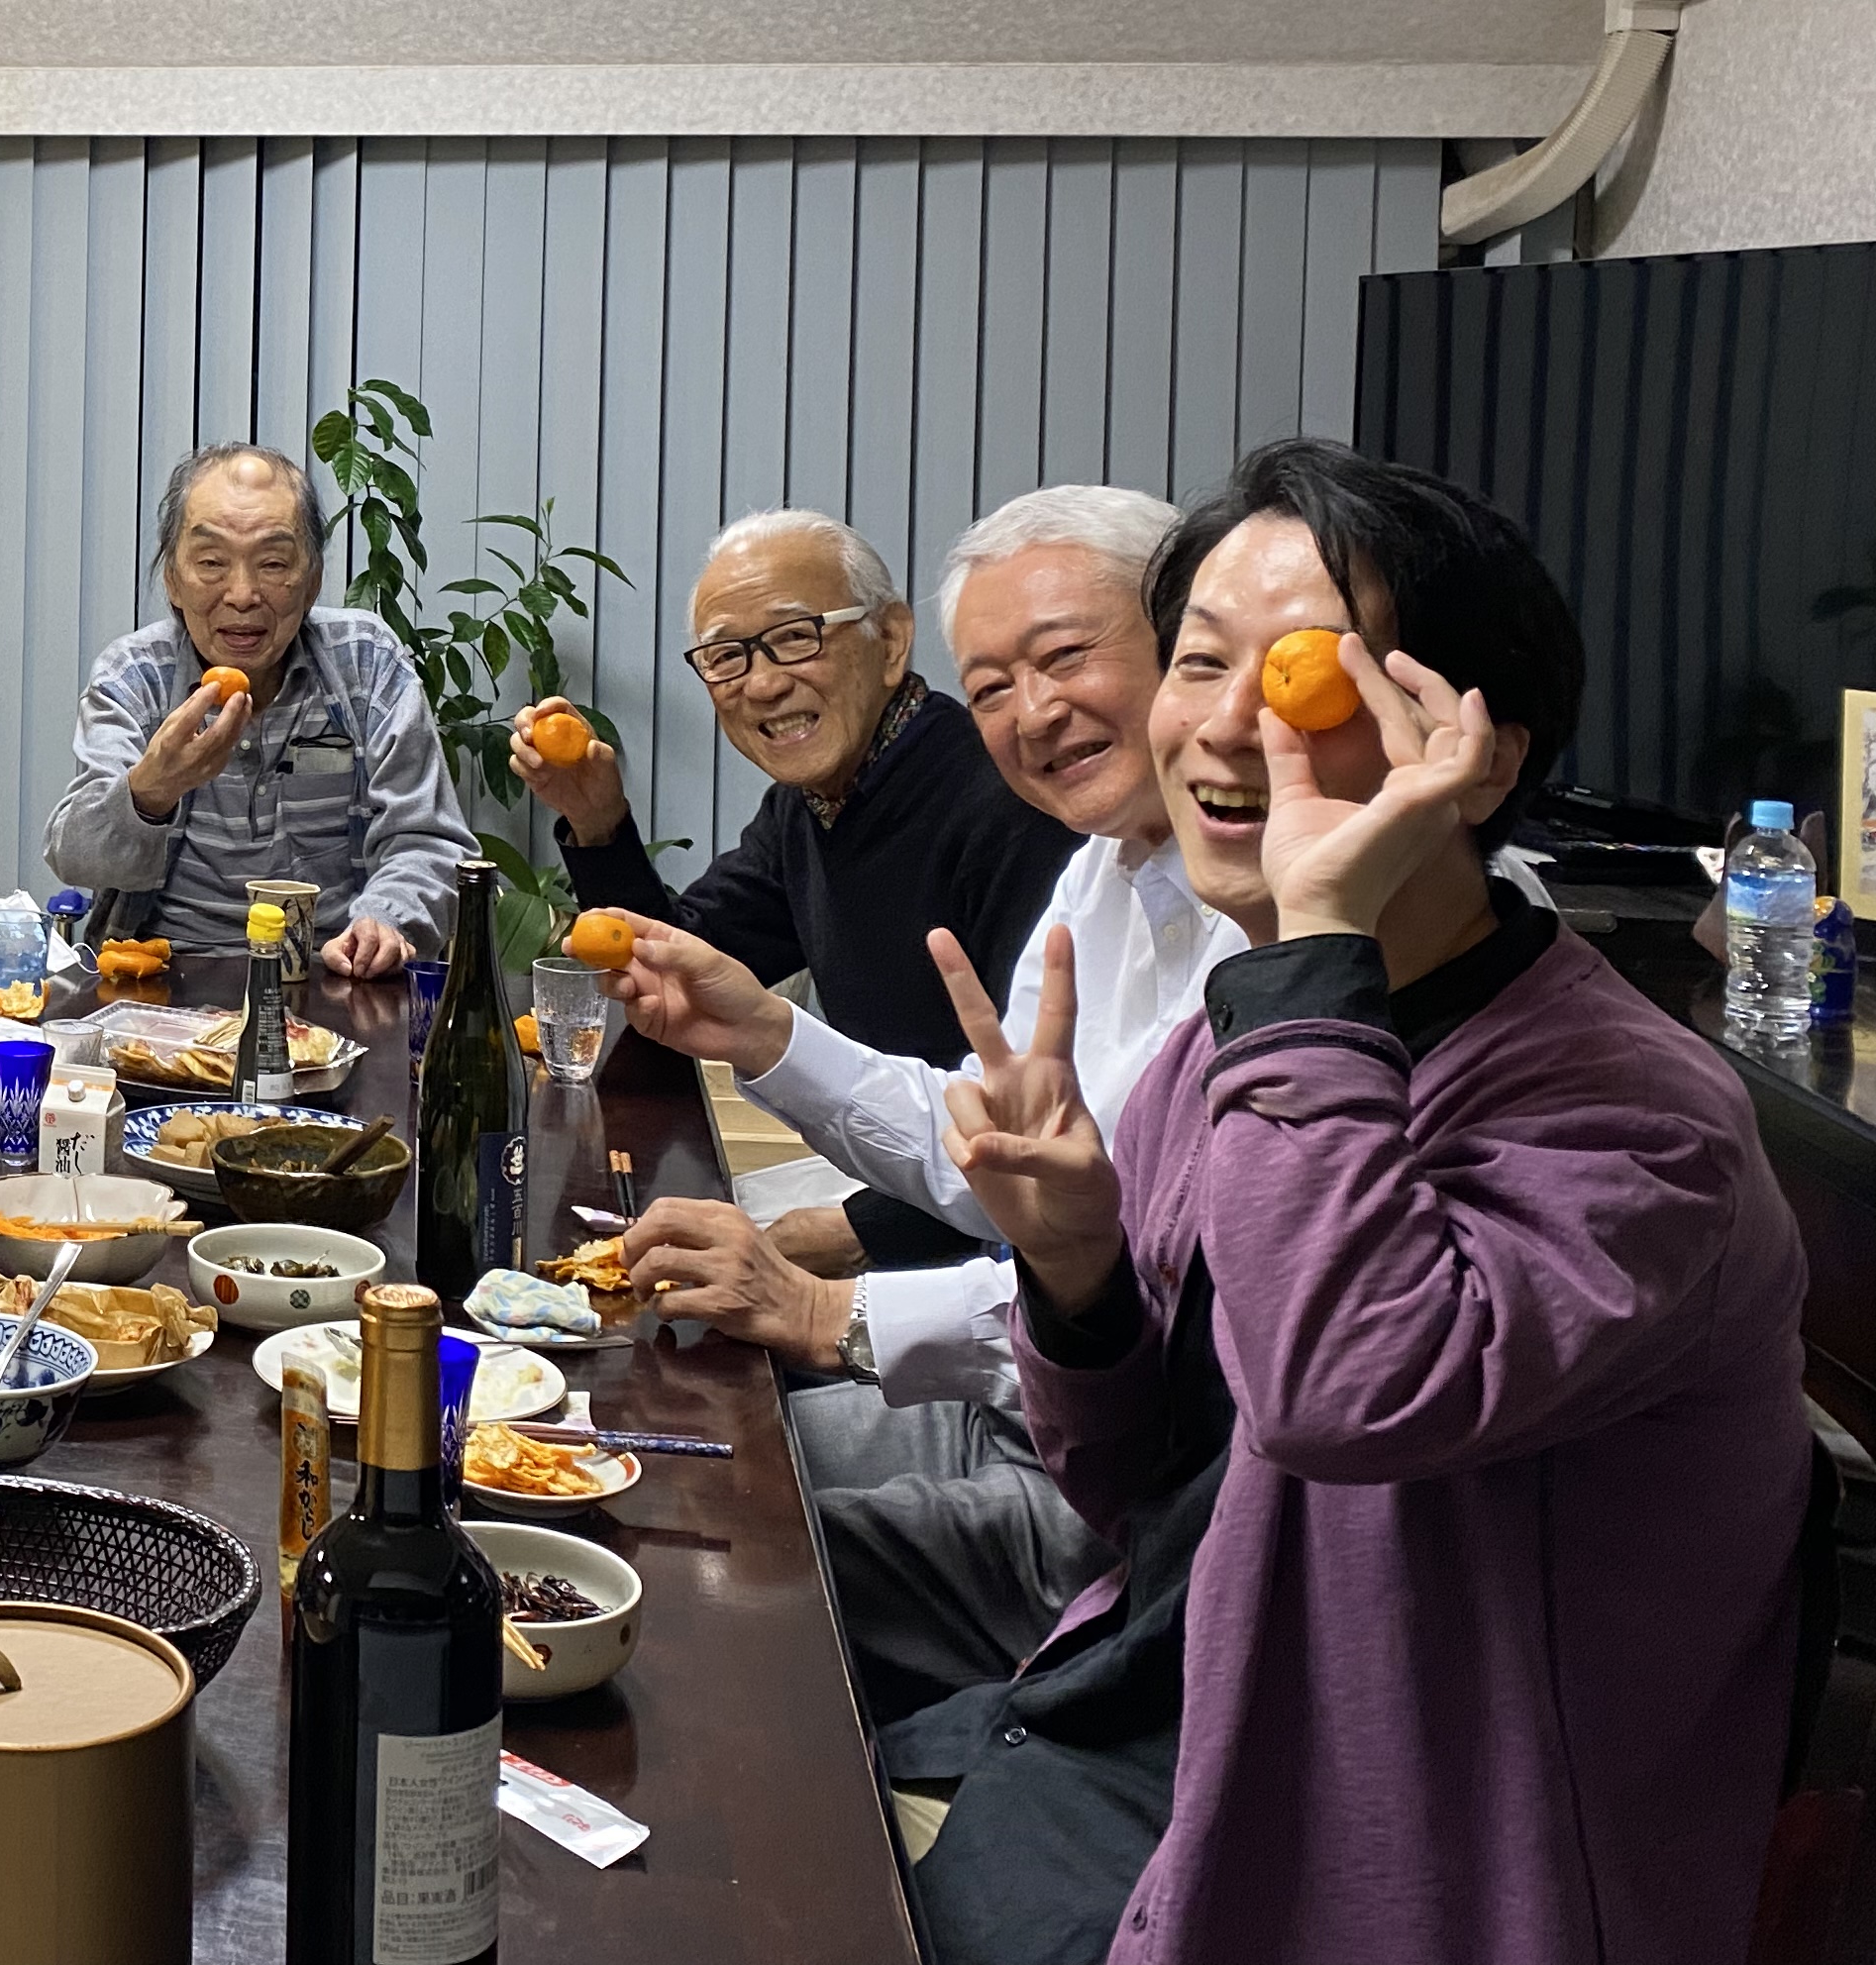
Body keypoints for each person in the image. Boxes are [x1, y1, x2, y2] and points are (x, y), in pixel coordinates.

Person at [913, 442, 1806, 1964]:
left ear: (1479, 758)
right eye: (1201, 661)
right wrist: (1076, 1275)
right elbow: (1143, 1495)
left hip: (1394, 1872)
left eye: (1311, 676)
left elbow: (1349, 1396)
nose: (1226, 725)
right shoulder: (1235, 1048)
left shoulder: (1643, 1120)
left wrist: (1311, 933)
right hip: (1155, 1745)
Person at [593, 487, 1211, 1706]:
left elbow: (1167, 1304)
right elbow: (994, 1153)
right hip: (1008, 1395)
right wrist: (765, 1031)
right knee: (628, 1462)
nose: (1034, 713)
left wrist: (825, 1306)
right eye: (996, 686)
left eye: (1066, 657)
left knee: (682, 1570)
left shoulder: (1289, 925)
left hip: (1125, 1513)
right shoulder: (1105, 868)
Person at [515, 506, 1073, 1071]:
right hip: (877, 1125)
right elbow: (675, 968)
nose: (763, 684)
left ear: (891, 641)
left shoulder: (1011, 803)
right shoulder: (810, 805)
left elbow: (1048, 1083)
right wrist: (597, 820)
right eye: (726, 656)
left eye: (796, 637)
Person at [44, 443, 472, 977]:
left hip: (335, 977)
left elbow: (429, 841)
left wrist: (386, 920)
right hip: (164, 980)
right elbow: (74, 855)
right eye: (211, 563)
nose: (243, 595)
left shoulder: (366, 664)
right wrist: (150, 791)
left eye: (273, 563)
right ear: (172, 579)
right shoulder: (135, 676)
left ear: (312, 580)